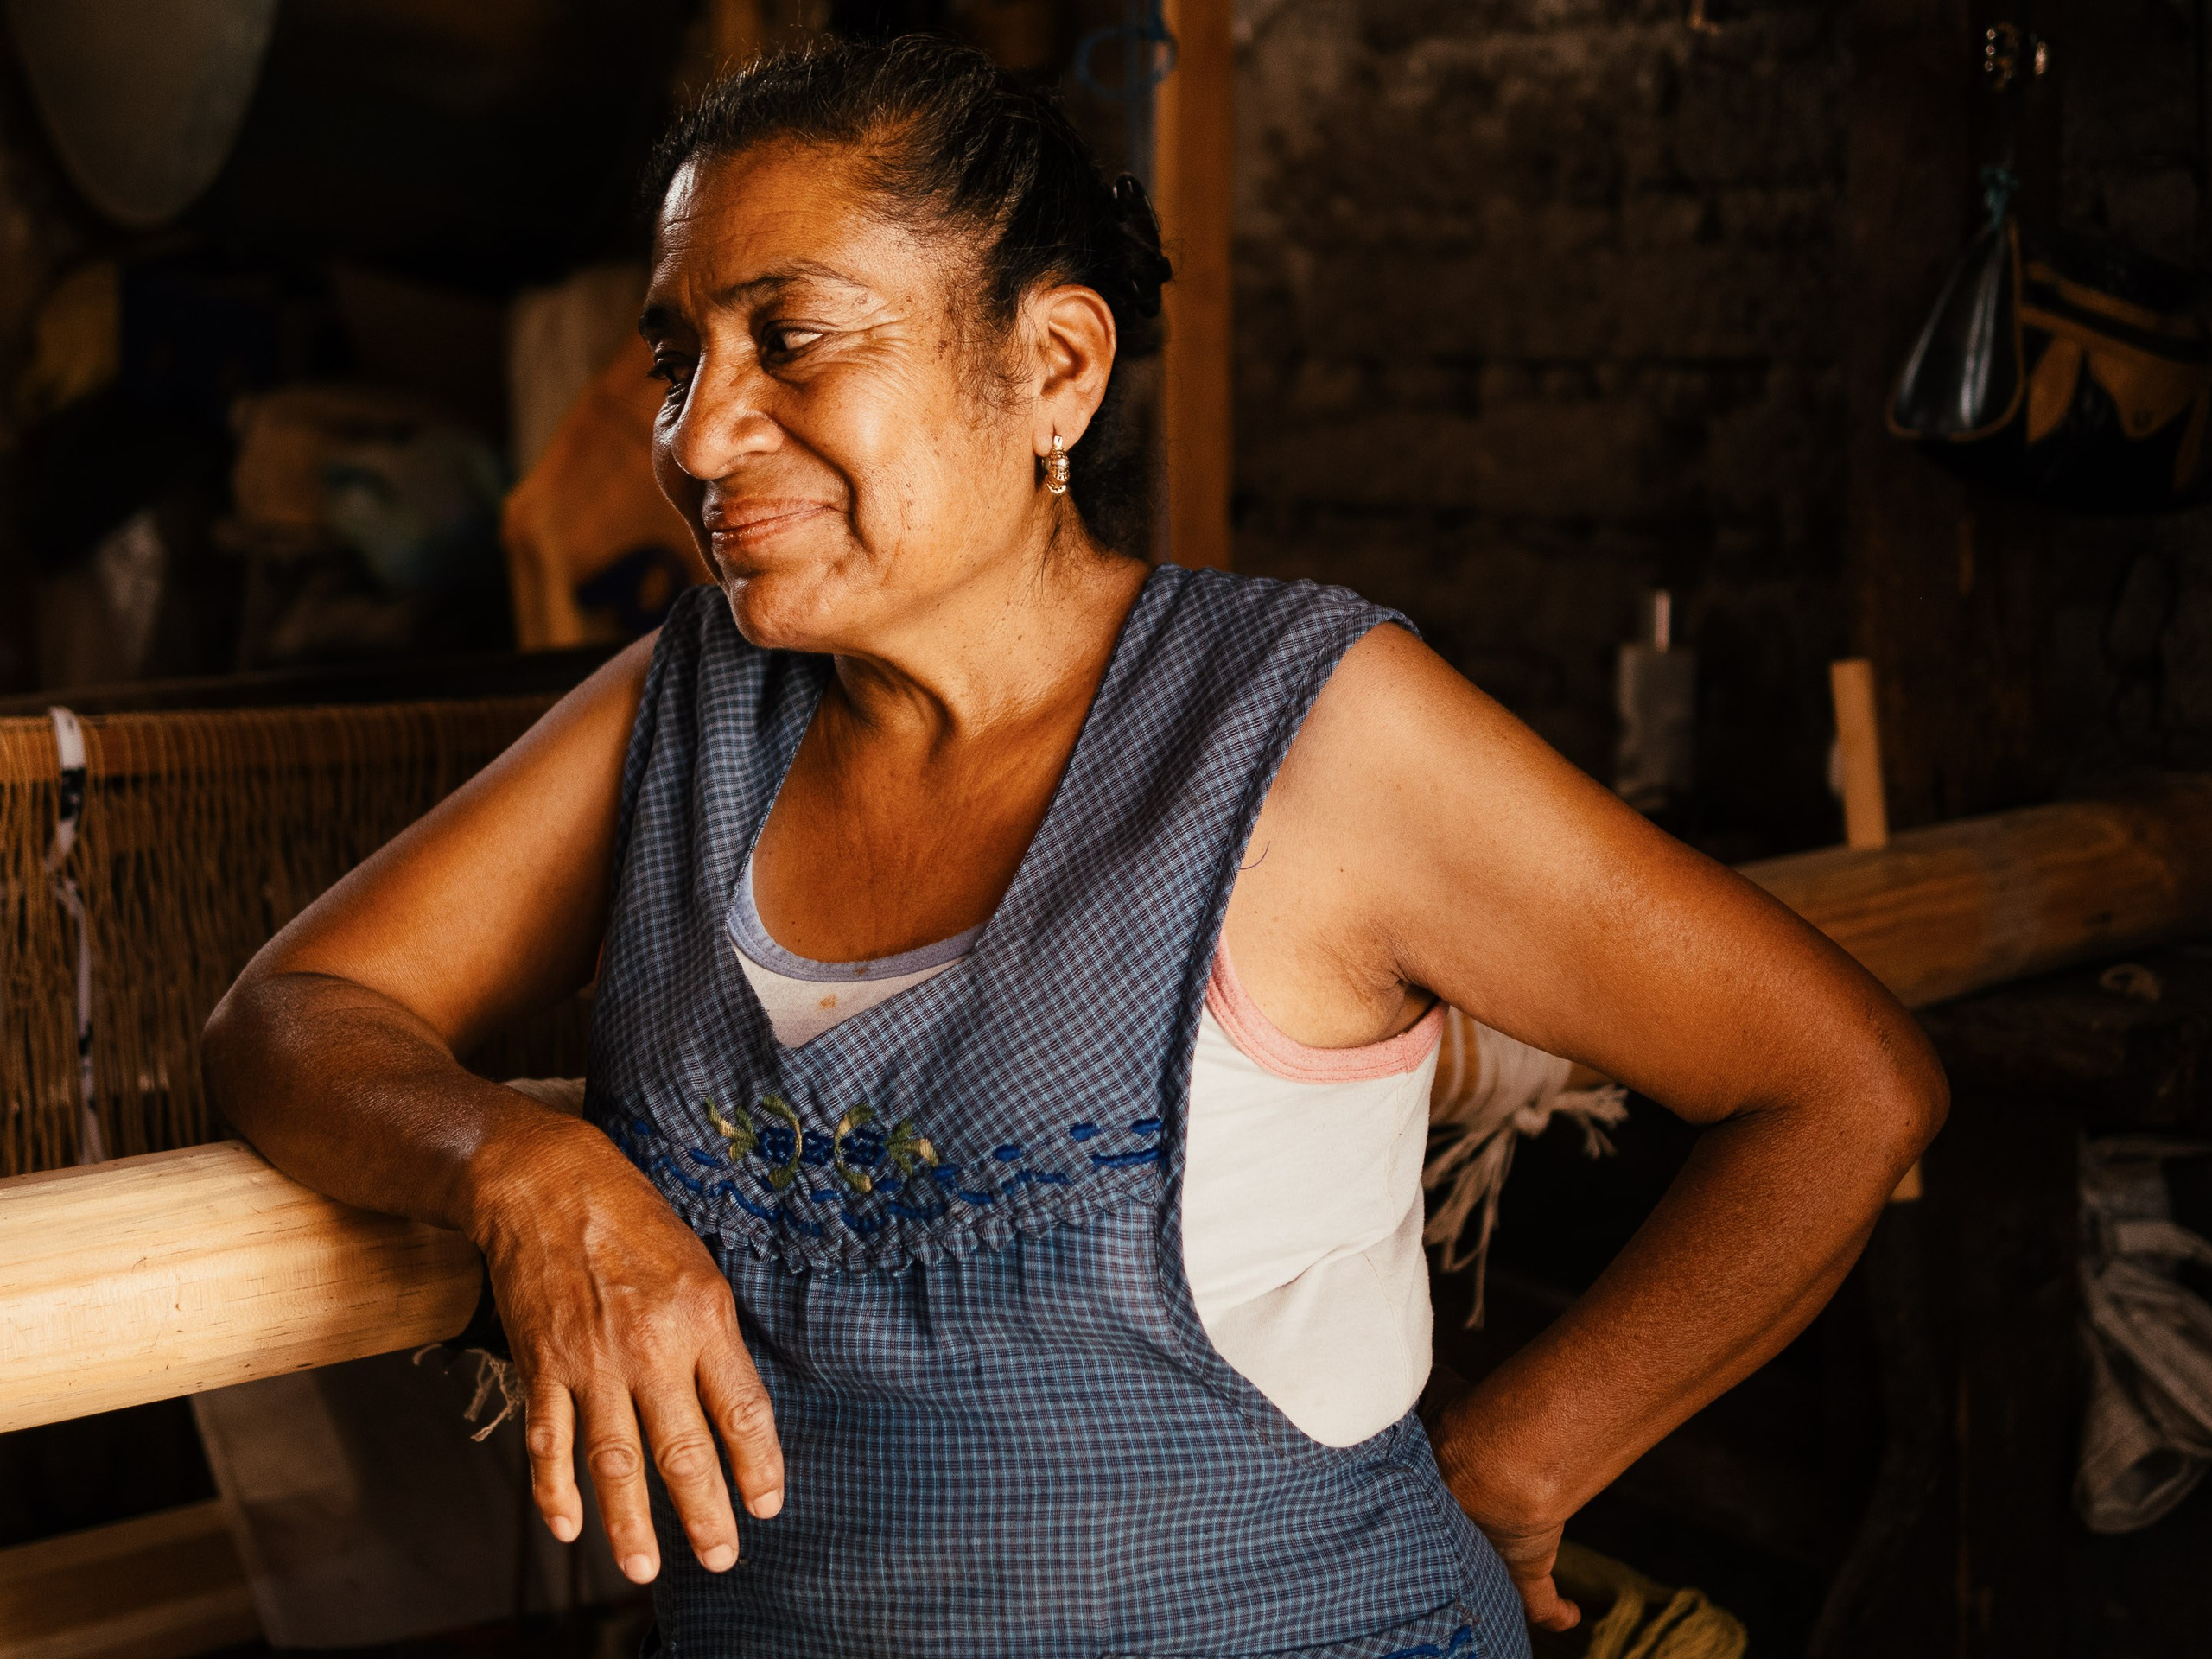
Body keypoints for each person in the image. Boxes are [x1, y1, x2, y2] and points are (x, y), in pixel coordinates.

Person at [206, 37, 1946, 1659]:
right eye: (679, 357)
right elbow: (295, 1016)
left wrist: (1517, 1467)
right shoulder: (679, 714)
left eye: (788, 341)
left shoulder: (1310, 732)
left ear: (1051, 367)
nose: (691, 434)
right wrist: (525, 1170)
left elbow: (1838, 1086)